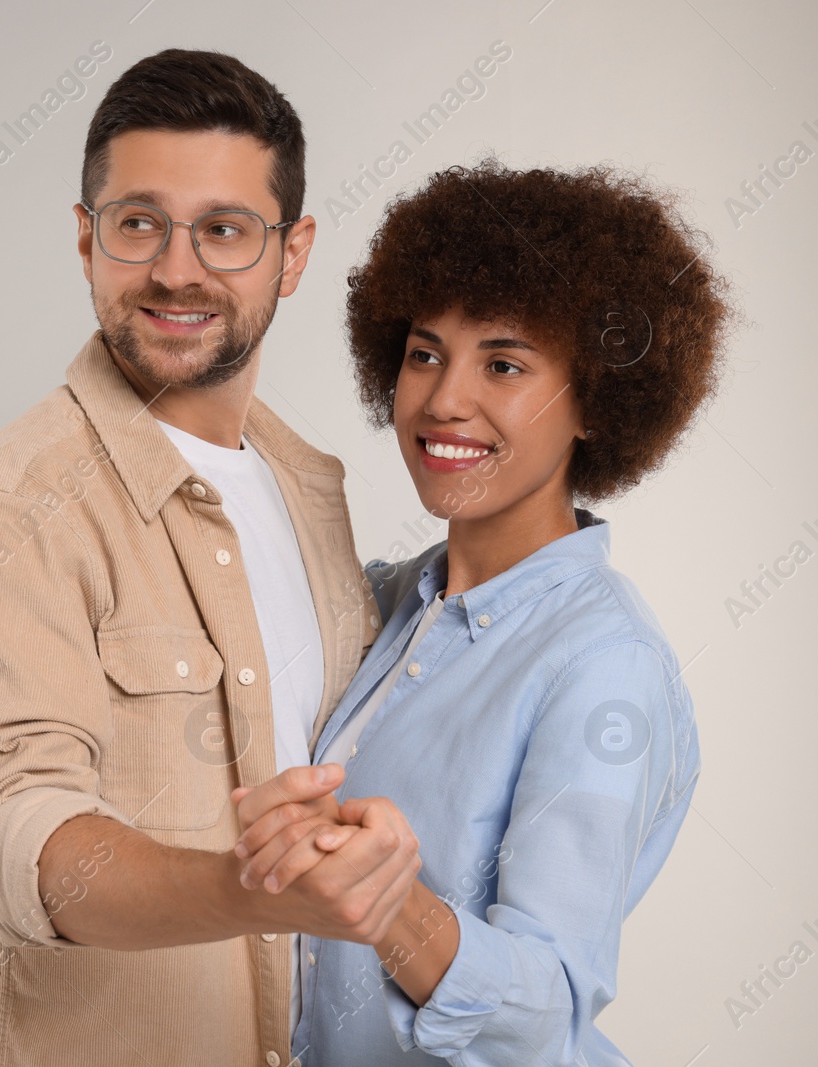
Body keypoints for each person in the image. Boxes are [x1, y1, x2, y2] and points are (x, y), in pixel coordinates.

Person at [0, 49, 420, 1067]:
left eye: (224, 230)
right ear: (86, 239)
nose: (176, 269)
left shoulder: (306, 491)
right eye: (138, 223)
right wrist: (242, 887)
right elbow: (18, 840)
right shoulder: (8, 511)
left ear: (293, 250)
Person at [231, 158, 734, 1064]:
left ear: (594, 402)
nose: (443, 399)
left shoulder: (603, 666)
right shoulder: (385, 601)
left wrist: (395, 905)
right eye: (425, 352)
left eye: (503, 363)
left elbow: (545, 1011)